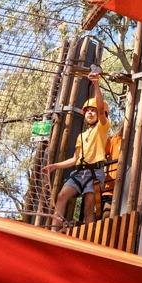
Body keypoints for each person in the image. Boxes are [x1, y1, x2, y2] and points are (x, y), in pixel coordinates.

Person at [48, 88, 120, 230]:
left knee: (88, 206)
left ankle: (89, 237)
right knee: (62, 196)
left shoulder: (102, 127)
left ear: (102, 114)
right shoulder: (81, 136)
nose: (90, 113)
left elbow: (100, 109)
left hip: (94, 172)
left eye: (93, 110)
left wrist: (95, 83)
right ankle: (54, 231)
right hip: (79, 172)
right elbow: (75, 158)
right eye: (87, 111)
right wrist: (55, 166)